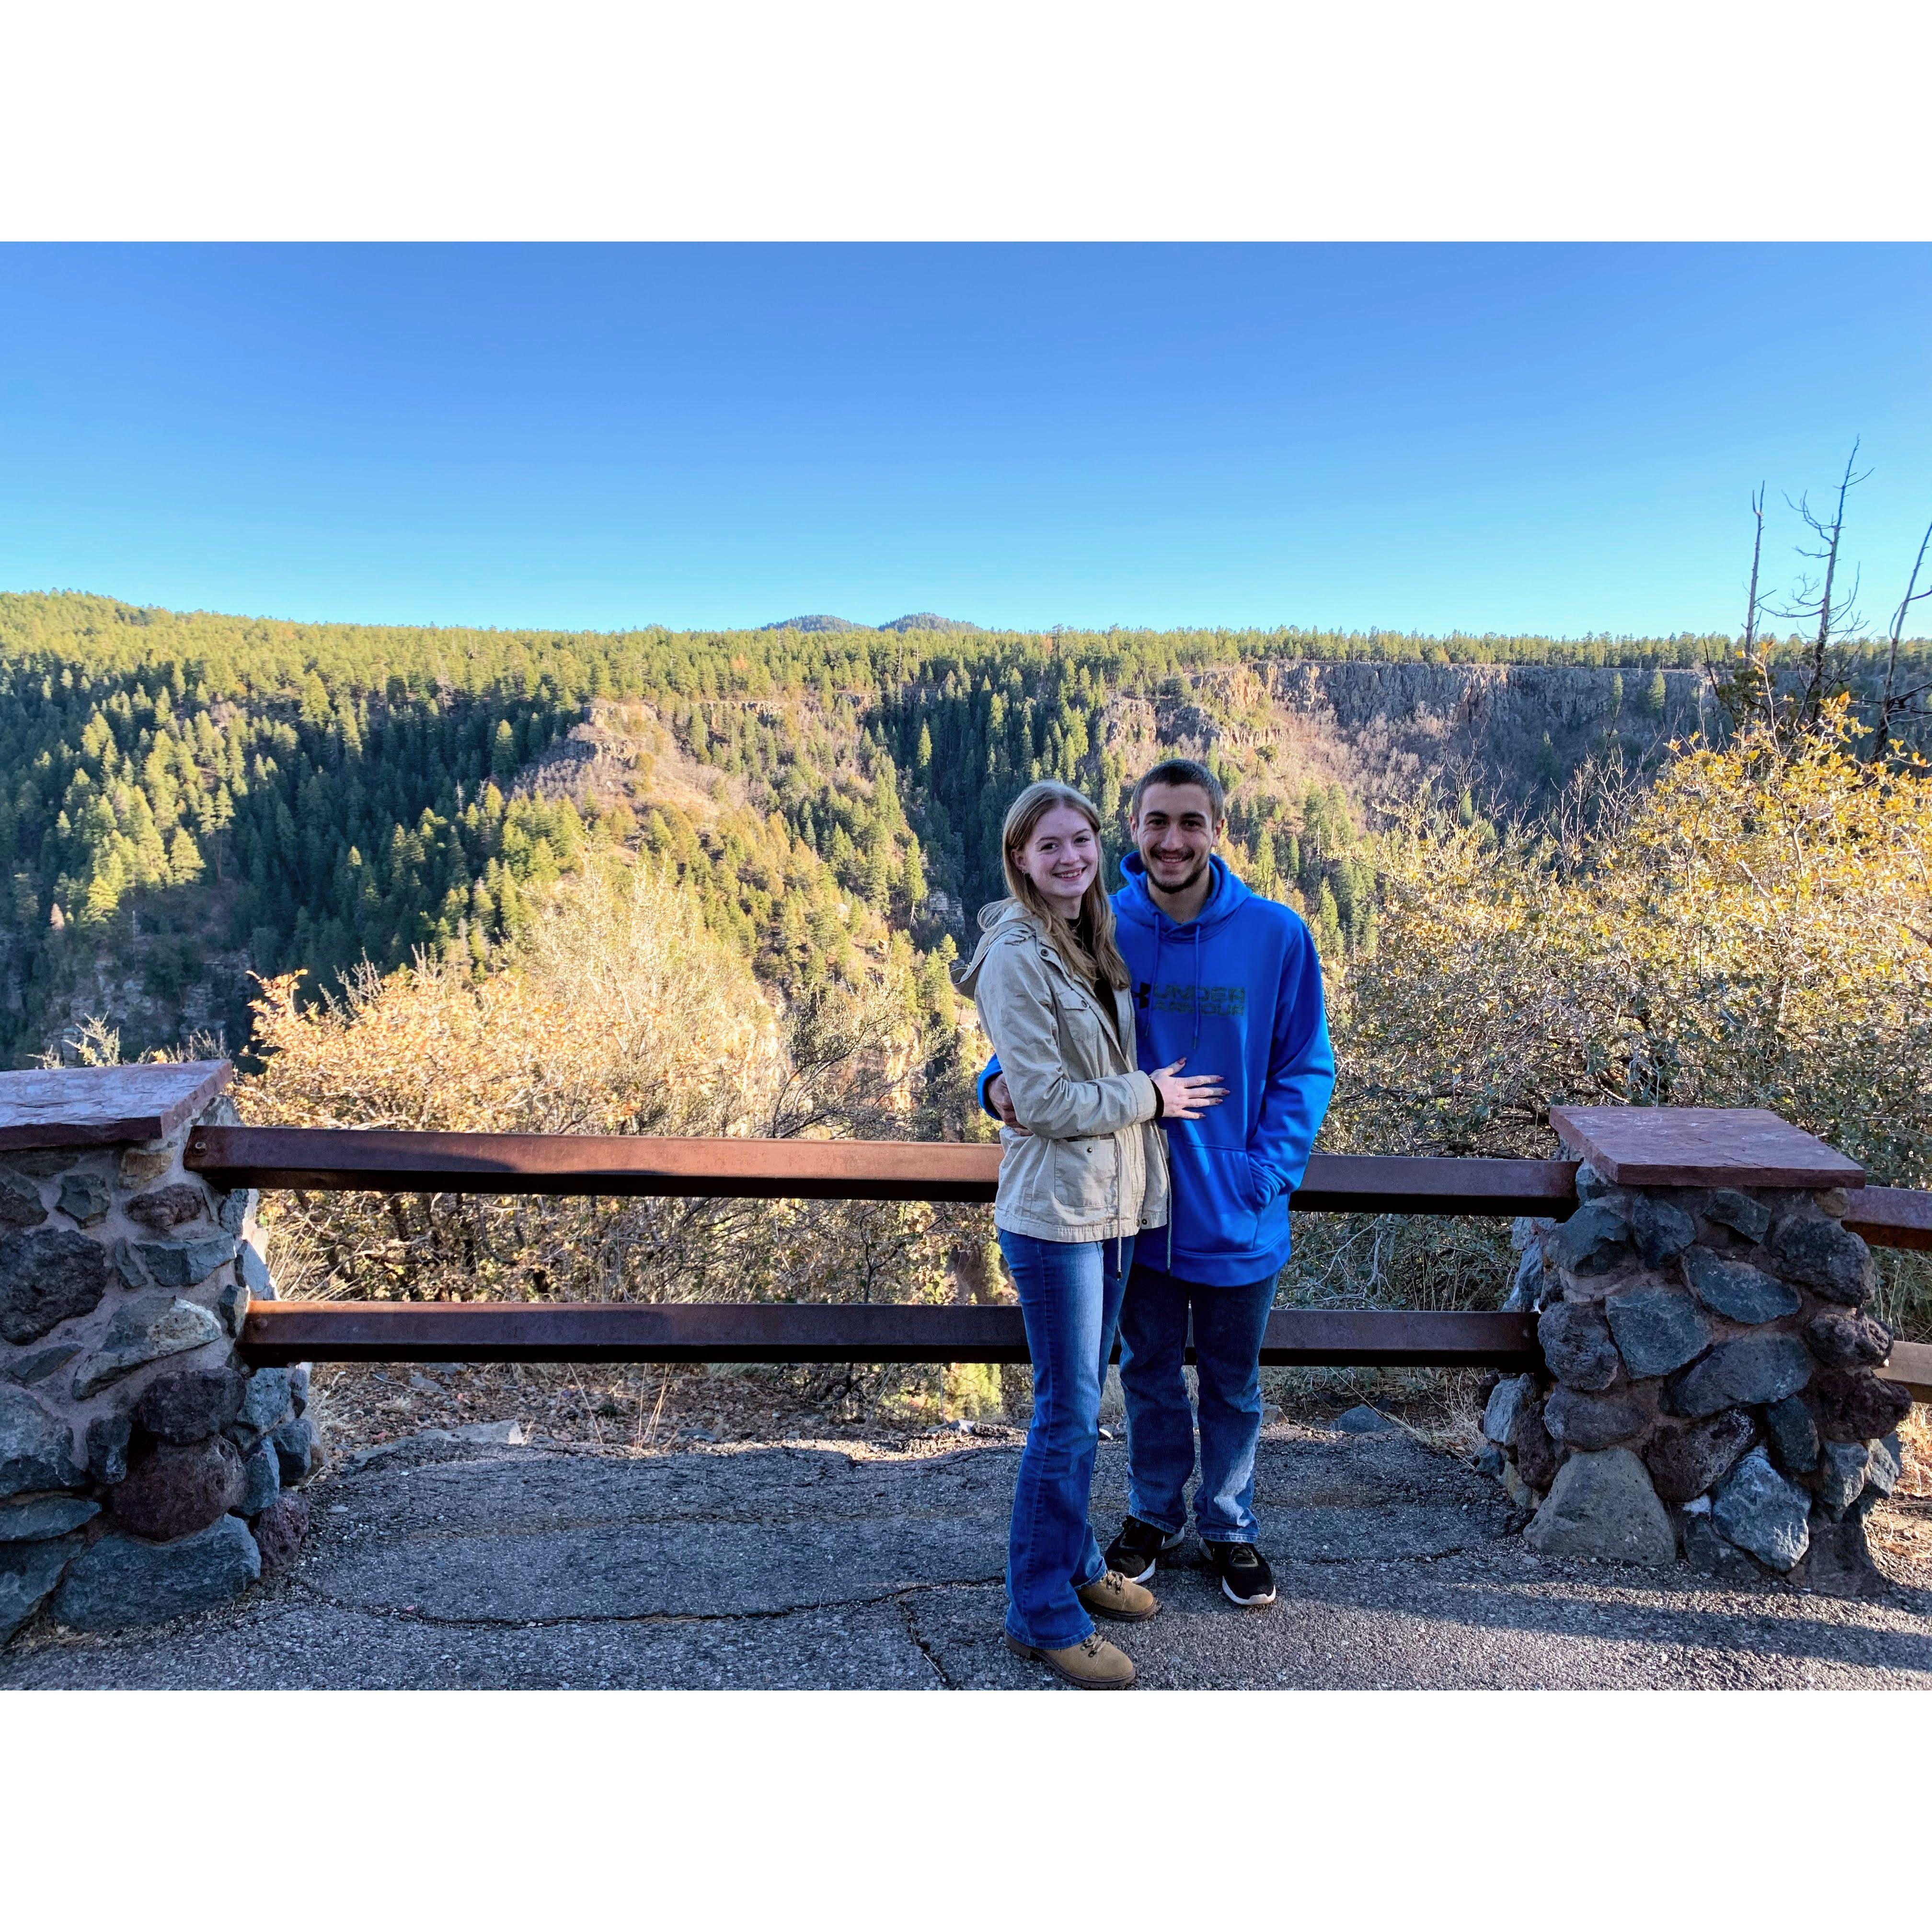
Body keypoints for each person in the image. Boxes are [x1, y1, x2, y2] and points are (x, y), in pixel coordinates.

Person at [981, 757, 1334, 1609]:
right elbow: (1043, 1034)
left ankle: (1229, 1524)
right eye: (1155, 823)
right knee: (1143, 1373)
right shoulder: (1106, 924)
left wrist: (1266, 1175)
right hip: (1127, 1205)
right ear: (1132, 832)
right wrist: (992, 1082)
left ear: (1217, 829)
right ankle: (1151, 1515)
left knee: (1232, 1383)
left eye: (1190, 822)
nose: (1171, 840)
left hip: (1234, 1209)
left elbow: (1305, 1067)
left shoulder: (1277, 935)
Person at [955, 778, 1225, 1690]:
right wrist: (1152, 1094)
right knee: (1065, 1417)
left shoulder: (1087, 933)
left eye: (1079, 840)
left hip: (1113, 1208)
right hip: (1056, 1219)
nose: (1068, 857)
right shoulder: (1015, 955)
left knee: (1082, 1406)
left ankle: (1072, 1565)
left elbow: (1052, 1075)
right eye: (1048, 846)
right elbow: (1042, 1099)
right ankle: (1040, 1609)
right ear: (1020, 859)